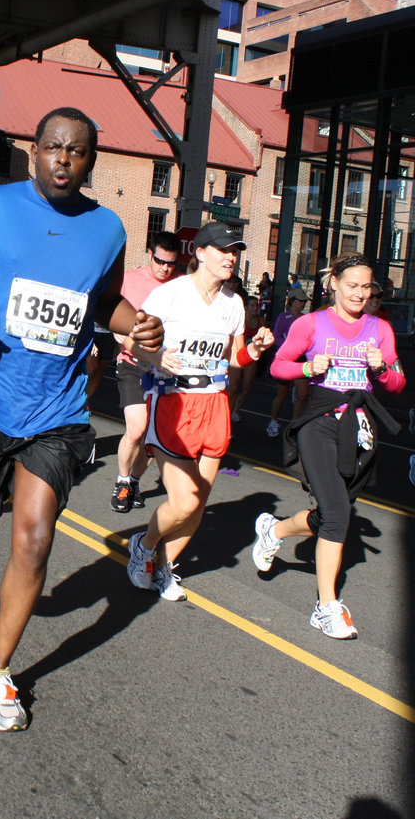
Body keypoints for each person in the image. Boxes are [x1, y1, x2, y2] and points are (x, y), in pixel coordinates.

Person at [0, 107, 164, 731]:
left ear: (92, 161)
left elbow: (103, 302)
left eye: (77, 151)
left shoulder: (106, 229)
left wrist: (139, 324)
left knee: (35, 537)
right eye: (53, 148)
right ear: (33, 152)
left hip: (57, 409)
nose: (64, 160)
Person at [251, 253, 405, 639]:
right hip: (319, 420)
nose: (359, 293)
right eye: (351, 285)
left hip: (358, 426)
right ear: (333, 282)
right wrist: (308, 368)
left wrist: (382, 369)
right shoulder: (310, 323)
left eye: (365, 286)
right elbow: (278, 366)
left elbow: (398, 384)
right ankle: (326, 607)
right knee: (337, 512)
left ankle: (275, 532)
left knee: (331, 512)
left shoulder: (379, 329)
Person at [126, 221, 274, 601]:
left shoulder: (234, 303)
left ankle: (163, 567)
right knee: (185, 500)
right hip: (173, 402)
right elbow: (135, 343)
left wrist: (254, 351)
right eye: (223, 250)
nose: (231, 257)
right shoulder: (169, 295)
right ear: (201, 253)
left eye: (235, 251)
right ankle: (144, 544)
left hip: (215, 404)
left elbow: (234, 358)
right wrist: (156, 355)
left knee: (199, 505)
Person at [109, 231, 181, 512]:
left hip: (165, 369)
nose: (165, 268)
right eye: (161, 261)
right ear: (150, 254)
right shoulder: (129, 279)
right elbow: (112, 317)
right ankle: (122, 480)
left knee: (153, 435)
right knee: (137, 428)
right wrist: (121, 336)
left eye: (171, 263)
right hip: (132, 363)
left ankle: (135, 480)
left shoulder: (181, 287)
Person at [266, 286, 309, 437]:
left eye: (304, 302)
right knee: (282, 393)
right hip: (285, 359)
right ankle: (273, 421)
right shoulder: (283, 317)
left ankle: (294, 424)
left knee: (303, 394)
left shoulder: (305, 319)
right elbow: (275, 337)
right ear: (292, 301)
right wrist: (288, 345)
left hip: (300, 360)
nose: (302, 304)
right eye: (300, 301)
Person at [229, 295, 264, 424]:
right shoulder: (240, 320)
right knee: (233, 385)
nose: (255, 308)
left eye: (257, 305)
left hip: (250, 356)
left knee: (247, 385)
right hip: (237, 353)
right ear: (246, 308)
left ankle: (235, 410)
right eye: (252, 305)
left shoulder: (261, 321)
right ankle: (228, 410)